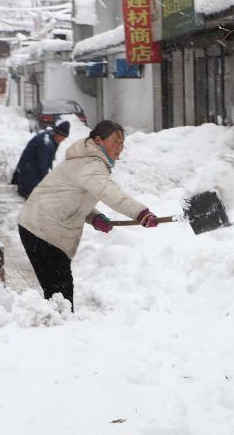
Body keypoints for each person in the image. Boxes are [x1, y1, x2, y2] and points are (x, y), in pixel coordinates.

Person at [17, 120, 159, 311]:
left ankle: (56, 326)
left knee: (58, 292)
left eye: (121, 143)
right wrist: (140, 213)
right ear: (98, 141)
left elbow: (70, 198)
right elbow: (110, 192)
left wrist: (94, 217)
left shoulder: (86, 161)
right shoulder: (92, 164)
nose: (119, 147)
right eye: (114, 141)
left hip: (38, 227)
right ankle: (58, 331)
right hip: (44, 231)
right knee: (60, 295)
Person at [12, 120, 71, 198]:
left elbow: (48, 160)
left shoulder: (52, 137)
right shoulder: (46, 142)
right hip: (28, 173)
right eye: (62, 138)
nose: (63, 140)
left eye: (64, 138)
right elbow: (43, 165)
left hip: (30, 169)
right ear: (58, 134)